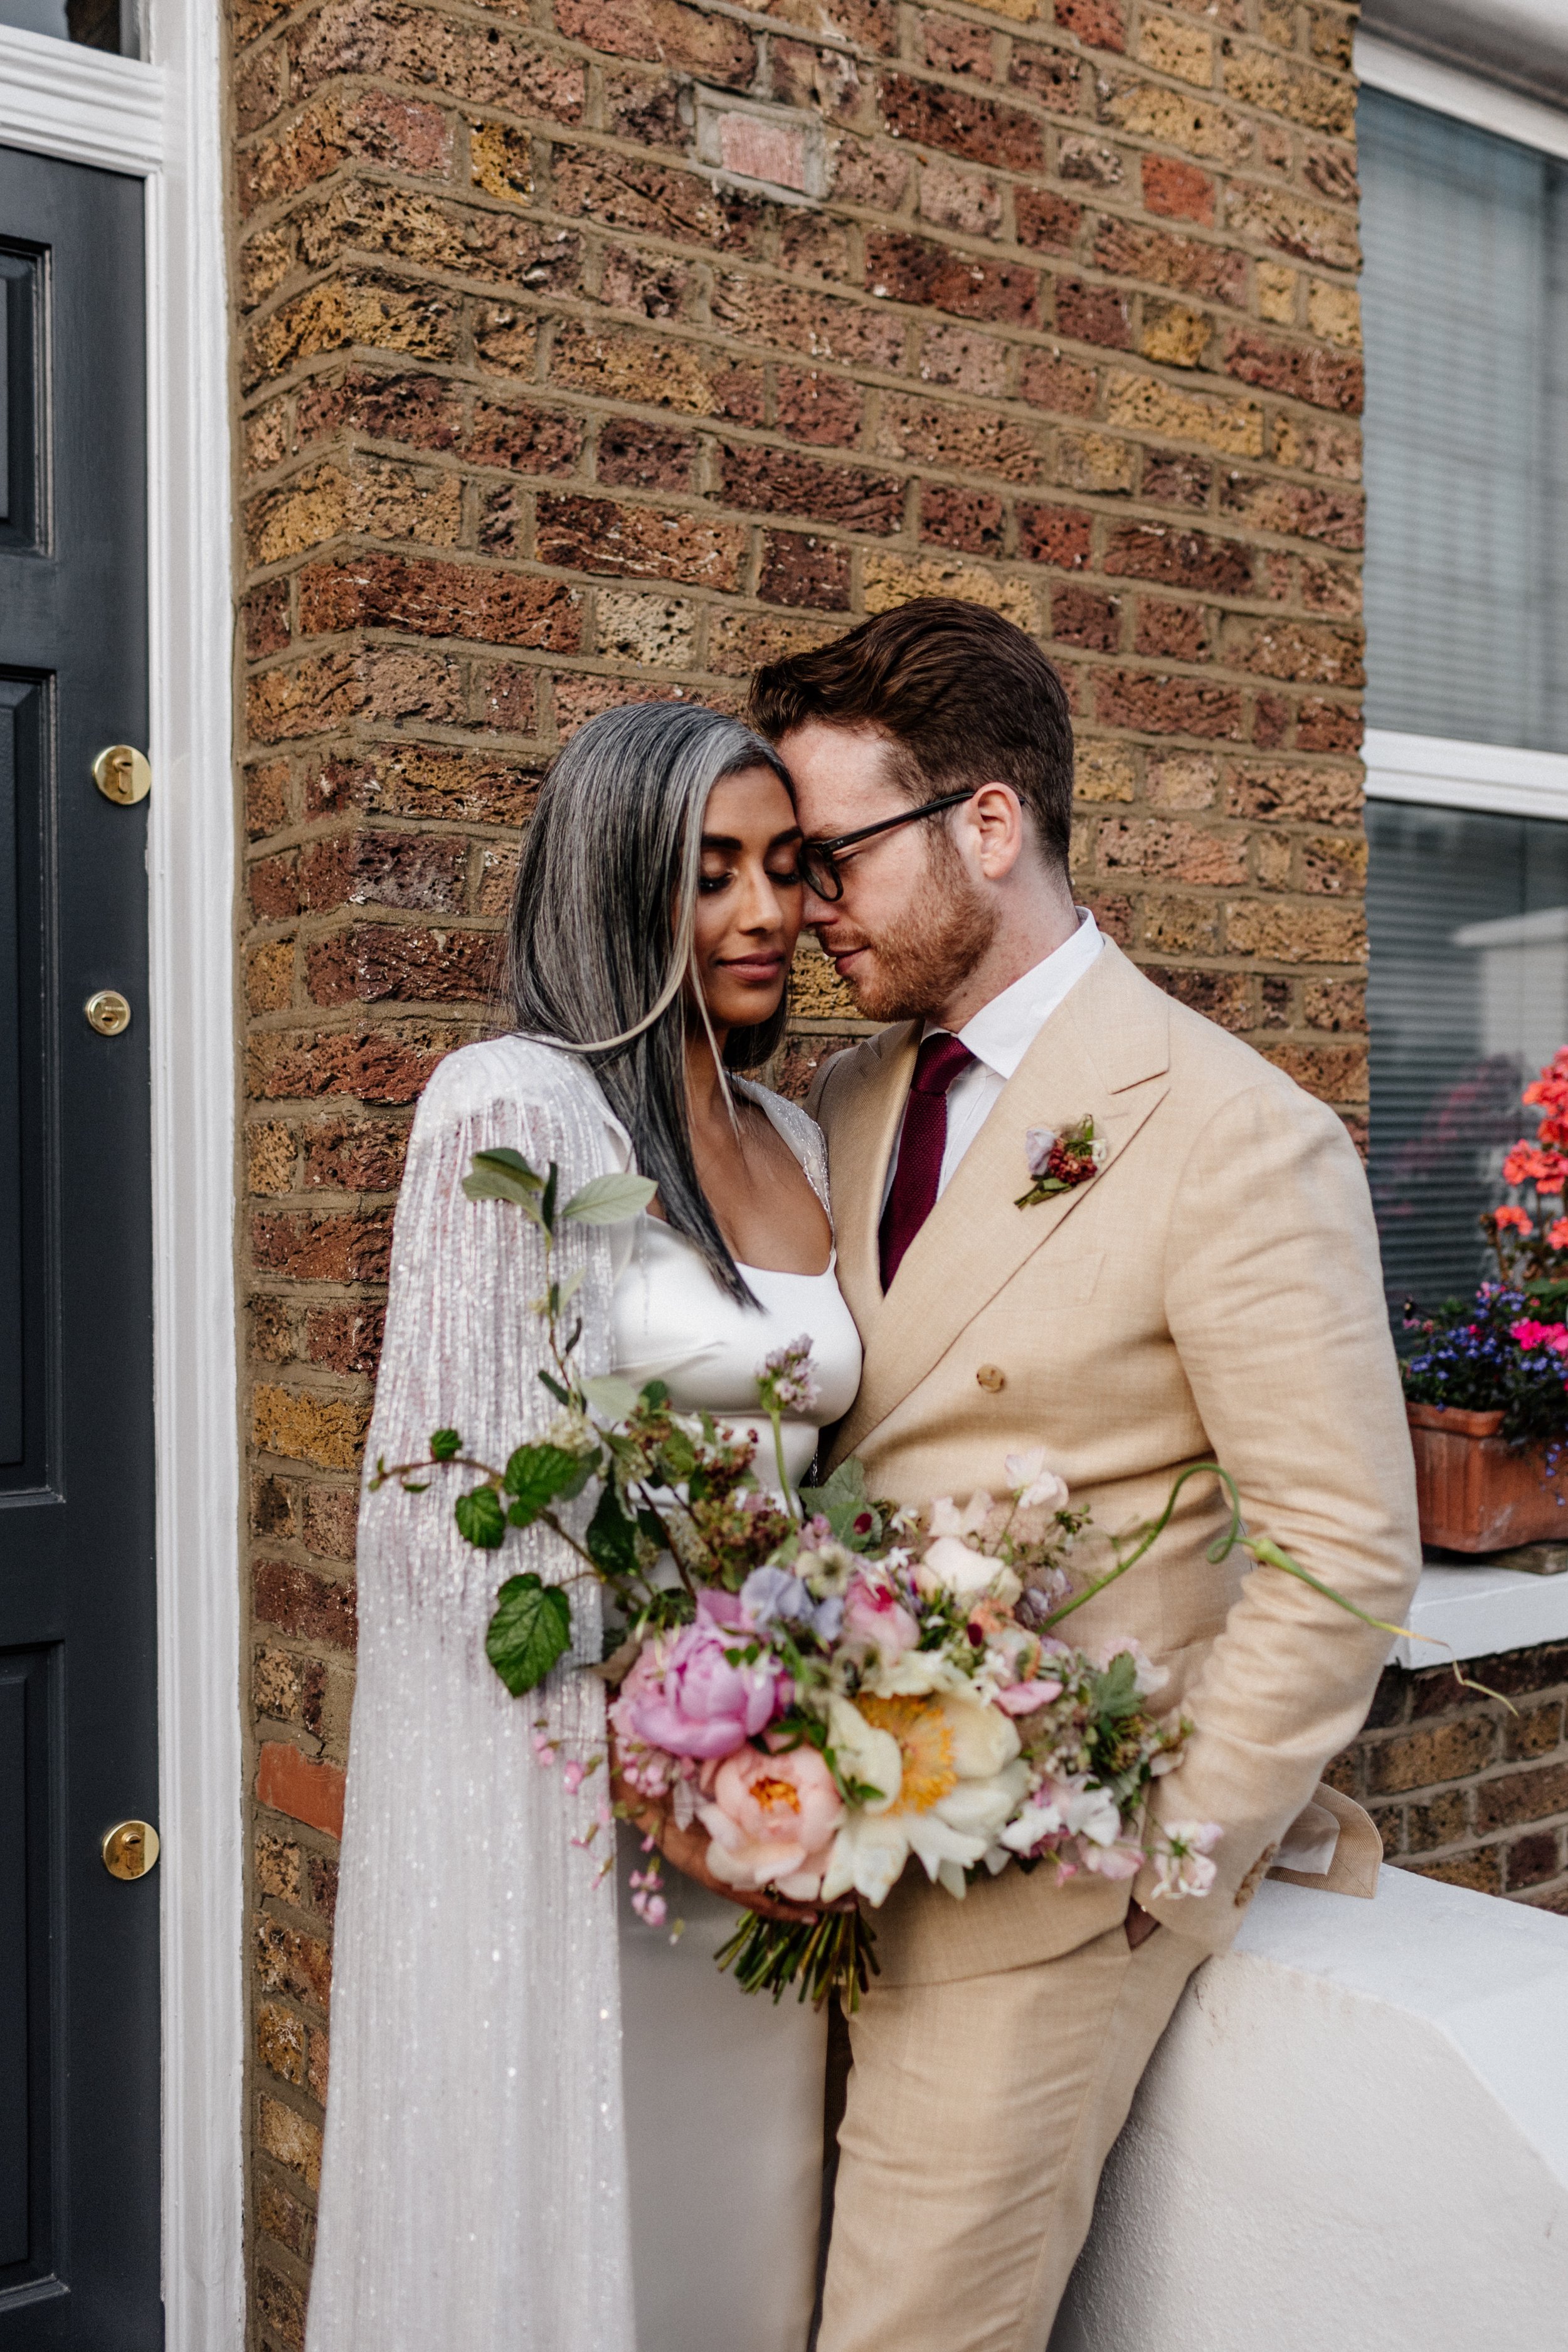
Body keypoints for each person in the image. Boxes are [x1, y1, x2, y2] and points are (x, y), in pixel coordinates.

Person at [746, 598, 1422, 2352]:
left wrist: (1167, 1871)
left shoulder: (1232, 1132)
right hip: (813, 1874)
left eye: (833, 860)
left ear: (987, 823)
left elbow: (1344, 1548)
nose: (807, 910)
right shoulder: (840, 1098)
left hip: (1040, 1912)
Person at [305, 704, 861, 2352]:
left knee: (738, 2257)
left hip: (773, 1813)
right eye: (709, 876)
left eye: (783, 866)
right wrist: (661, 1768)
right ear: (615, 884)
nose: (764, 914)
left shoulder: (798, 1135)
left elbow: (823, 1489)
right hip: (583, 1826)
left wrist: (821, 1741)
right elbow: (451, 1524)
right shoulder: (515, 1108)